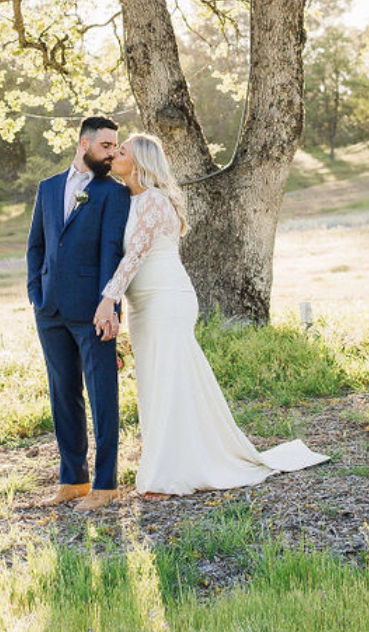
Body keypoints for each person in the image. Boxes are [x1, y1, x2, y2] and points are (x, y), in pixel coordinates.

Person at [102, 132, 328, 497]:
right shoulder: (129, 201)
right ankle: (171, 460)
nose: (114, 155)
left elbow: (135, 255)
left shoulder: (155, 201)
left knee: (169, 382)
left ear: (140, 162)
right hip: (142, 305)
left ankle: (167, 475)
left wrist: (106, 299)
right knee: (154, 384)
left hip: (166, 299)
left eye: (121, 151)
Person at [25, 116, 130, 513]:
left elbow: (112, 253)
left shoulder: (113, 192)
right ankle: (74, 479)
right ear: (83, 143)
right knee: (63, 394)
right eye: (106, 145)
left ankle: (106, 484)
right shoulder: (48, 188)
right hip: (49, 309)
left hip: (93, 311)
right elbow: (36, 245)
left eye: (115, 146)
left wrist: (110, 305)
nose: (112, 153)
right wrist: (36, 293)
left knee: (103, 395)